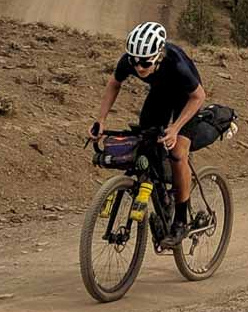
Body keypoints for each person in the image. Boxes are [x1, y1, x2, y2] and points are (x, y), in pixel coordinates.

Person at [91, 21, 215, 241]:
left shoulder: (175, 63)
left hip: (187, 100)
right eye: (135, 62)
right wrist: (100, 120)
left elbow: (199, 96)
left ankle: (180, 221)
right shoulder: (131, 59)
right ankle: (163, 198)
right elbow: (114, 84)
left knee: (177, 153)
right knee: (146, 140)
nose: (139, 67)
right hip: (161, 94)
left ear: (158, 56)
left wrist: (176, 128)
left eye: (145, 63)